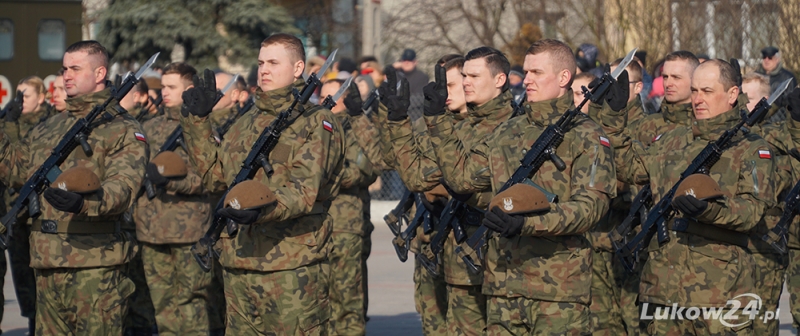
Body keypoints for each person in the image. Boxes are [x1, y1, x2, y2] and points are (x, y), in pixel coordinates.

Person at [433, 39, 617, 334]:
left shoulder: (588, 135)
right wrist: (436, 122)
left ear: (563, 78)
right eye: (526, 71)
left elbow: (591, 208)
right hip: (504, 285)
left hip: (558, 293)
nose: (526, 79)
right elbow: (462, 179)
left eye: (536, 72)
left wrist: (527, 223)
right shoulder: (507, 130)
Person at [180, 33, 345, 335]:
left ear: (298, 68)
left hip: (289, 266)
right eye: (260, 63)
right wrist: (196, 123)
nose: (264, 70)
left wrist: (260, 208)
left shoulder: (316, 121)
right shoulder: (245, 121)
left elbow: (303, 190)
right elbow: (216, 176)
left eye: (273, 62)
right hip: (240, 262)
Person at [606, 59, 775, 335]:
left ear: (733, 94)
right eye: (695, 91)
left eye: (707, 91)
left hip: (719, 294)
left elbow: (752, 211)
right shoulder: (673, 139)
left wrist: (707, 209)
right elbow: (627, 165)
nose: (698, 99)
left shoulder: (751, 148)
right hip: (662, 291)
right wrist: (613, 116)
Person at [0, 40, 146, 335]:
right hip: (47, 262)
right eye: (64, 69)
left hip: (95, 266)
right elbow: (15, 171)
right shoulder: (48, 128)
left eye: (75, 69)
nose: (65, 76)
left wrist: (84, 204)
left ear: (99, 73)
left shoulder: (123, 128)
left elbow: (124, 188)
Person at [132, 62, 218, 335]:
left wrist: (171, 181)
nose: (165, 92)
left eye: (172, 87)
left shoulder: (202, 128)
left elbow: (211, 177)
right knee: (163, 307)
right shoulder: (147, 126)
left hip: (188, 231)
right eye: (163, 86)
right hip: (150, 229)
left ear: (189, 88)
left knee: (191, 304)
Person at [318, 79, 378, 335]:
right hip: (317, 223)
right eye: (321, 96)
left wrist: (317, 177)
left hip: (346, 225)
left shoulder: (357, 127)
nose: (323, 102)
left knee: (348, 298)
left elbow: (363, 170)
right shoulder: (318, 127)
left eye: (330, 97)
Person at [1, 75, 59, 334]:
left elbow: (21, 162)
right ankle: (31, 318)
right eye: (18, 95)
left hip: (38, 211)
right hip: (15, 212)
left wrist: (10, 125)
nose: (19, 101)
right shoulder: (12, 121)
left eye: (25, 96)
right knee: (21, 275)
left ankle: (40, 322)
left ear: (41, 97)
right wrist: (7, 120)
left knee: (41, 276)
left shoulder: (48, 123)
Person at [397, 48, 429, 120]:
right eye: (404, 60)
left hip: (414, 116)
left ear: (415, 62)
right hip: (397, 116)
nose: (407, 63)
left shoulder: (422, 77)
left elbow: (419, 98)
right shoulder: (397, 76)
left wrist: (399, 104)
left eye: (410, 60)